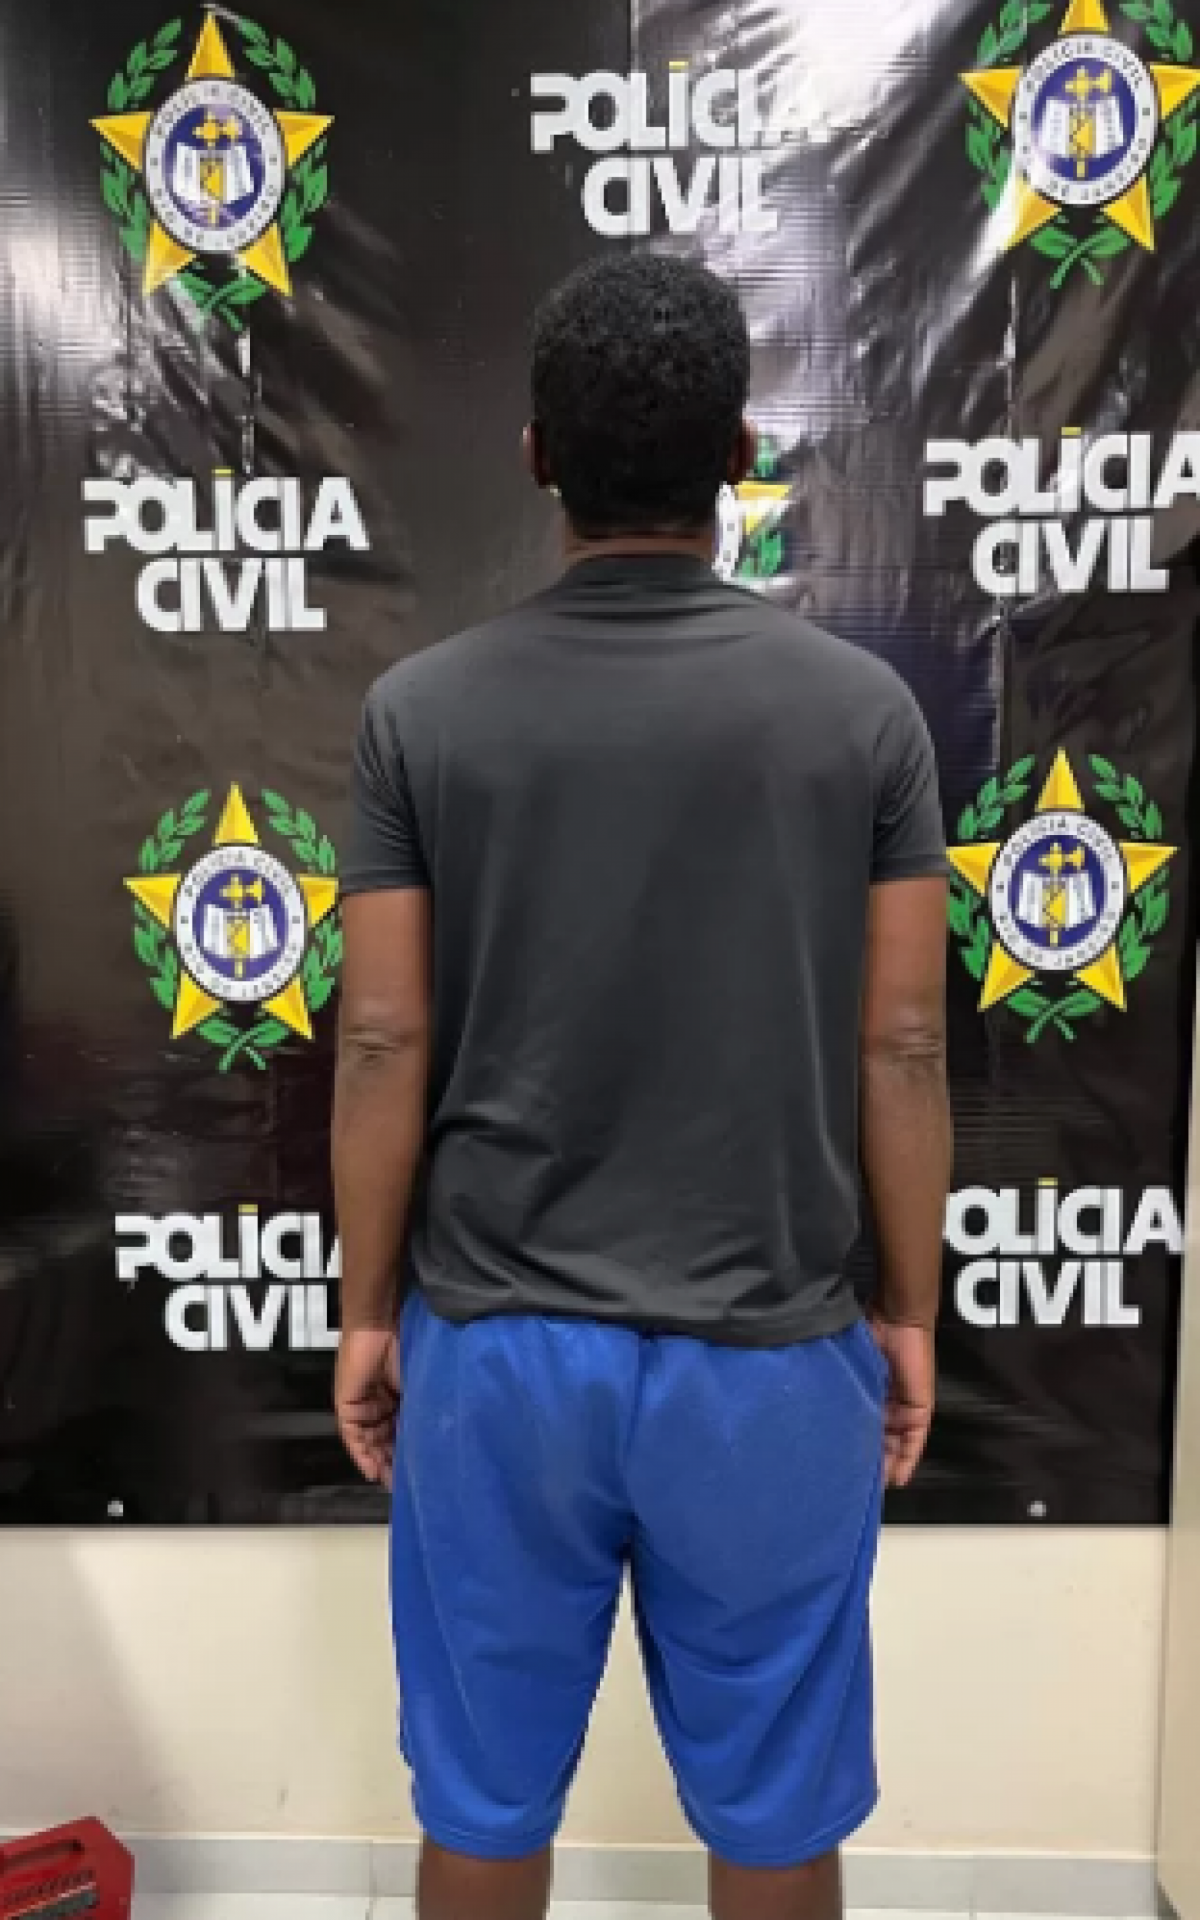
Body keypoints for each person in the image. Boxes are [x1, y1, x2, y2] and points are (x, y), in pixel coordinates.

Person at [333, 253, 952, 1920]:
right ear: (740, 453)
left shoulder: (418, 716)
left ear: (537, 456)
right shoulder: (866, 719)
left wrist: (370, 1314)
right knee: (774, 1820)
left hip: (499, 1353)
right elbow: (902, 1046)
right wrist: (908, 1313)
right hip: (769, 1352)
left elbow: (382, 1040)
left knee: (482, 1807)